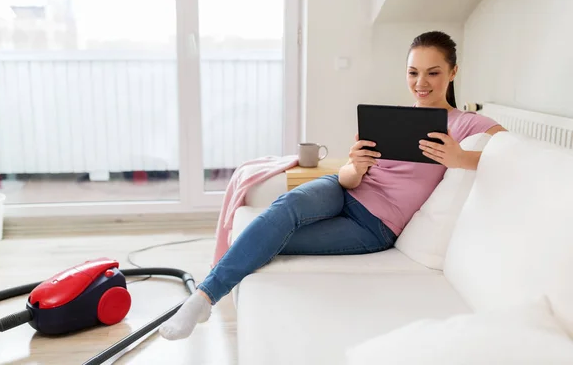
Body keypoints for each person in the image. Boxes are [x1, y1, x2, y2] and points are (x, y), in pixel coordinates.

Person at [158, 30, 507, 340]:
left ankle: (203, 296)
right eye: (413, 72)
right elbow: (348, 179)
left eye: (433, 73)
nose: (421, 83)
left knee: (268, 239)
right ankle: (203, 299)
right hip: (341, 190)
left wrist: (460, 158)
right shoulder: (394, 118)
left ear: (453, 73)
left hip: (375, 226)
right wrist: (355, 165)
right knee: (286, 208)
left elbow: (514, 154)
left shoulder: (466, 124)